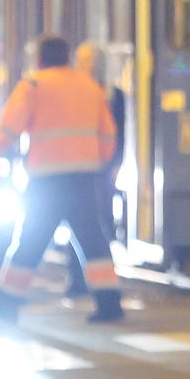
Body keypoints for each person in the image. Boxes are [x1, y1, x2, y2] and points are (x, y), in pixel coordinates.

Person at [0, 35, 124, 323]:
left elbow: (9, 128)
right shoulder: (90, 86)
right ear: (68, 56)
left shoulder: (33, 85)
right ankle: (109, 302)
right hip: (84, 178)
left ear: (40, 58)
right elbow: (108, 134)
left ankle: (7, 302)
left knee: (31, 240)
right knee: (93, 240)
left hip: (46, 180)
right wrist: (98, 163)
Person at [69, 42, 127, 291]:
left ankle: (96, 285)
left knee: (94, 226)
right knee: (83, 226)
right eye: (81, 61)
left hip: (100, 170)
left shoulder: (113, 95)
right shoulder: (72, 94)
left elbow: (119, 134)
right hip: (79, 170)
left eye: (89, 61)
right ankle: (80, 281)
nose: (85, 66)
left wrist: (115, 166)